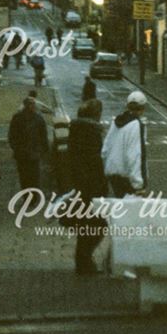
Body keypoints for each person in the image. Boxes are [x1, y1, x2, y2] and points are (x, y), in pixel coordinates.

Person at [68, 99, 107, 275]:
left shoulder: (77, 130)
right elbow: (94, 161)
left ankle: (83, 262)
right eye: (99, 113)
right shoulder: (90, 132)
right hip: (90, 187)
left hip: (81, 186)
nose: (101, 116)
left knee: (87, 226)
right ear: (94, 115)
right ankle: (84, 263)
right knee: (96, 225)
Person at [102, 91, 148, 197]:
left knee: (120, 208)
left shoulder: (116, 122)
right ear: (143, 108)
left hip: (113, 174)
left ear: (127, 106)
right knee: (132, 211)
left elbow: (105, 149)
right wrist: (138, 184)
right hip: (127, 177)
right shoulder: (136, 125)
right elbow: (134, 155)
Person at [8, 97, 48, 191]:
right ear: (25, 105)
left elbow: (43, 135)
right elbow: (12, 134)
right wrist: (15, 147)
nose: (32, 106)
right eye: (30, 104)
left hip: (34, 152)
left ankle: (33, 197)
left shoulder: (38, 118)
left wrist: (43, 150)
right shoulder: (18, 118)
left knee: (34, 176)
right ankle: (27, 196)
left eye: (33, 104)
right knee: (24, 176)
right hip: (22, 153)